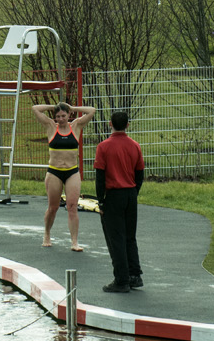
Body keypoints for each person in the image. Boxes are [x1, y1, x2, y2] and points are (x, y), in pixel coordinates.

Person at [32, 100, 95, 251]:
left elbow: (92, 110)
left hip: (72, 171)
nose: (60, 119)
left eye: (63, 115)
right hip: (55, 172)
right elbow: (35, 109)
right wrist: (52, 107)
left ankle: (74, 242)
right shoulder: (51, 126)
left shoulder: (77, 126)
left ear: (69, 115)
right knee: (53, 207)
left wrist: (73, 107)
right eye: (58, 116)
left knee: (72, 207)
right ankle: (47, 234)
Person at [94, 110, 144, 293]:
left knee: (116, 238)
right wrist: (134, 192)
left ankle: (121, 279)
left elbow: (100, 177)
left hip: (113, 195)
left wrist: (101, 200)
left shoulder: (104, 147)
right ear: (127, 125)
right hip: (131, 194)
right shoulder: (135, 146)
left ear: (110, 124)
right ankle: (134, 274)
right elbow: (140, 173)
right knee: (130, 236)